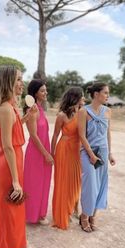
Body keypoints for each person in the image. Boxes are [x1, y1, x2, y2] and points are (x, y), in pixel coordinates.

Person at [0, 66, 31, 248]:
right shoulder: (6, 108)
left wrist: (24, 118)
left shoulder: (11, 106)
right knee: (12, 209)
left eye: (22, 79)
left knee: (11, 209)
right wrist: (15, 180)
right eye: (18, 80)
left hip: (14, 160)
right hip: (9, 163)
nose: (22, 83)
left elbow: (13, 131)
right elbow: (7, 145)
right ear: (8, 82)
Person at [78, 82, 116, 233]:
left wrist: (110, 153)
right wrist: (91, 155)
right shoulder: (83, 111)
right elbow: (81, 135)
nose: (107, 95)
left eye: (108, 93)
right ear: (96, 94)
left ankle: (93, 216)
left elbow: (108, 133)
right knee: (90, 185)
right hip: (88, 153)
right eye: (105, 93)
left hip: (103, 152)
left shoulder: (108, 112)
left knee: (100, 185)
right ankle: (84, 217)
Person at [51, 87, 84, 230]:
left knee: (76, 181)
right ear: (75, 98)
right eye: (82, 97)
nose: (84, 99)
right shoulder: (62, 115)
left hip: (76, 151)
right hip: (63, 150)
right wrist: (51, 154)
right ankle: (63, 212)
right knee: (63, 182)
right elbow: (55, 135)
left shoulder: (82, 113)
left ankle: (73, 208)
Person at [23, 79, 53, 225]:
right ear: (35, 93)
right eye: (42, 90)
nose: (45, 92)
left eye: (46, 90)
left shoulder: (41, 109)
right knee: (34, 184)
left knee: (44, 182)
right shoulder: (32, 111)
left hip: (44, 150)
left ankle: (41, 213)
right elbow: (33, 136)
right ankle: (31, 214)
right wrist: (46, 154)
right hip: (36, 153)